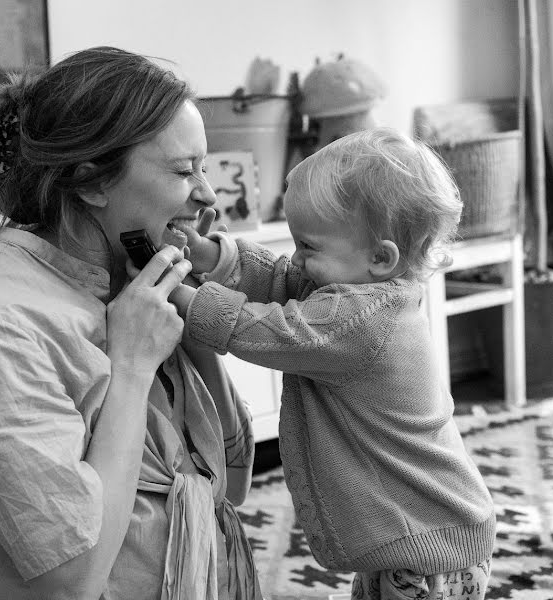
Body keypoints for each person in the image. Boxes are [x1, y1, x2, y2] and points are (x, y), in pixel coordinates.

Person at [0, 46, 262, 600]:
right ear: (90, 181)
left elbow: (231, 483)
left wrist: (191, 322)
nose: (207, 195)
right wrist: (131, 367)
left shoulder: (128, 285)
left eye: (203, 166)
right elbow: (71, 577)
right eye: (181, 171)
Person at [169, 128, 496, 599]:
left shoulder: (361, 321)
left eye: (309, 247)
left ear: (381, 258)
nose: (296, 259)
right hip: (407, 539)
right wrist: (214, 256)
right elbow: (284, 279)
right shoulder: (358, 290)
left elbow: (271, 329)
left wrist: (184, 295)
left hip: (428, 549)